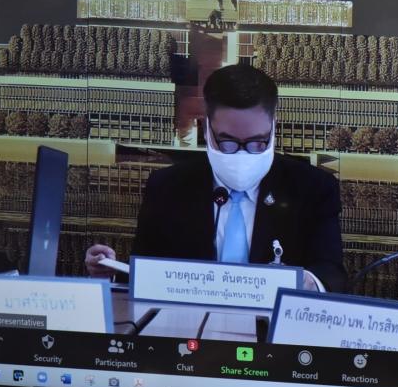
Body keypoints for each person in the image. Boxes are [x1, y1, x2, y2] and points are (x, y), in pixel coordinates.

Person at [85, 64, 346, 292]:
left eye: (257, 142)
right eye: (228, 142)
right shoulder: (167, 187)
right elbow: (147, 271)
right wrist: (108, 271)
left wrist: (308, 282)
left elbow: (332, 273)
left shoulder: (313, 188)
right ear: (206, 129)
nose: (243, 154)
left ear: (273, 127)